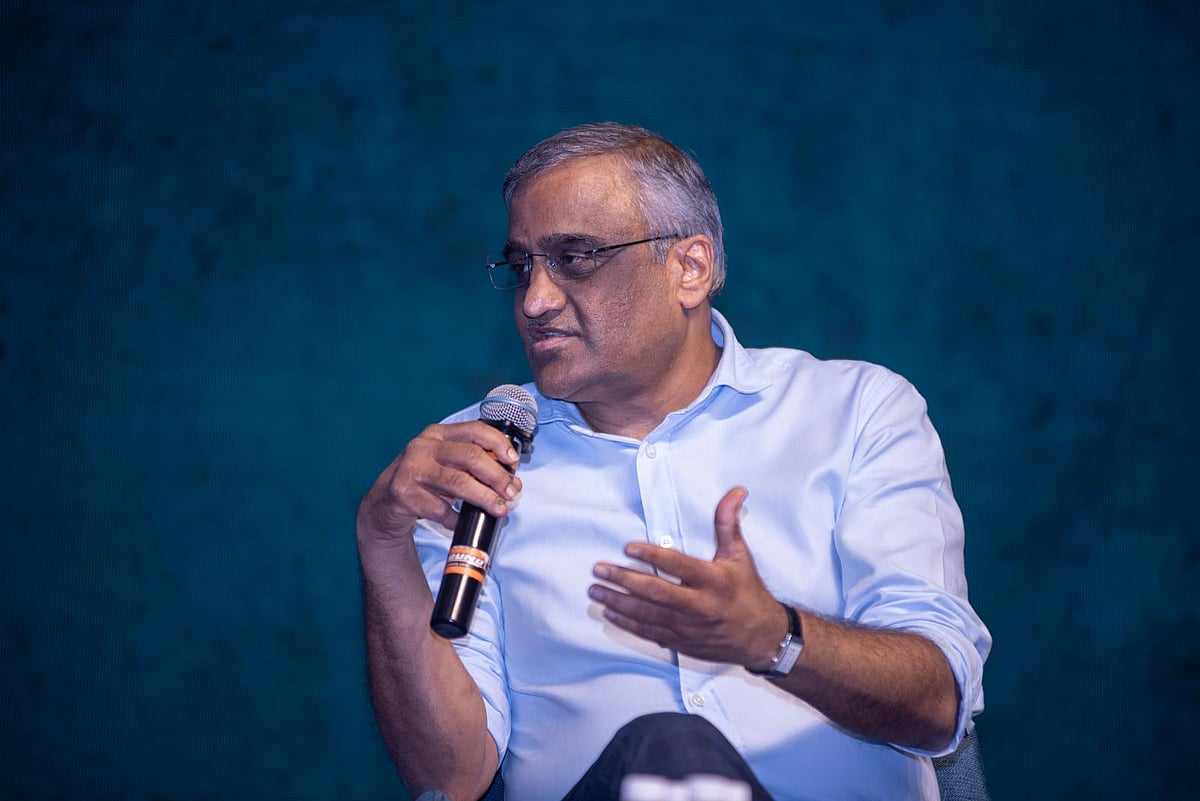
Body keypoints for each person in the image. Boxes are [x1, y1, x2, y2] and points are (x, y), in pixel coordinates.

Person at [356, 122, 991, 801]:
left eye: (575, 257)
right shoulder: (473, 458)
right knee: (669, 746)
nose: (535, 301)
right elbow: (450, 779)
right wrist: (382, 539)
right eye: (522, 268)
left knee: (674, 748)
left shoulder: (855, 411)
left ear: (690, 268)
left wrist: (774, 638)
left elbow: (938, 705)